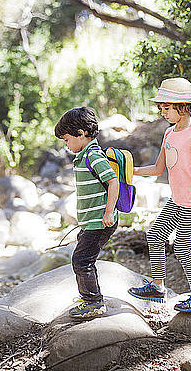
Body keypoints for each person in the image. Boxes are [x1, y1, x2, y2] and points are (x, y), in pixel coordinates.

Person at [127, 77, 191, 313]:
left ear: (183, 107)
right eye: (161, 108)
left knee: (183, 248)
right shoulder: (169, 133)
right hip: (177, 198)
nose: (163, 112)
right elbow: (157, 169)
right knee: (155, 235)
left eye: (167, 108)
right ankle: (157, 286)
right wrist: (128, 172)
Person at [54, 107, 119, 319]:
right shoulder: (84, 156)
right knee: (83, 258)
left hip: (100, 222)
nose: (66, 145)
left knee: (81, 261)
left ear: (81, 133)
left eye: (66, 139)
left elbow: (113, 181)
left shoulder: (93, 155)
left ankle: (93, 302)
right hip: (90, 223)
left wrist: (109, 212)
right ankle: (91, 297)